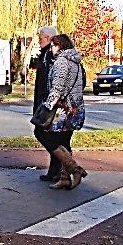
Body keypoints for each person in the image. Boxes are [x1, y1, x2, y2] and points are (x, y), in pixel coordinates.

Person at [40, 33, 87, 190]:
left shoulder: (61, 61)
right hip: (75, 108)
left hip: (63, 109)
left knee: (44, 136)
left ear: (60, 46)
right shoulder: (76, 62)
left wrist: (48, 105)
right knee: (64, 142)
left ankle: (75, 169)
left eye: (53, 45)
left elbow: (57, 88)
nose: (51, 49)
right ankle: (64, 178)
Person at [30, 26, 59, 181]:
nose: (38, 40)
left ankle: (66, 165)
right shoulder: (46, 54)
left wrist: (47, 102)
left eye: (40, 38)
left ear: (48, 38)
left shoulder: (50, 55)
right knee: (49, 135)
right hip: (45, 102)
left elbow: (52, 82)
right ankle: (56, 171)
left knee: (43, 133)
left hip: (47, 103)